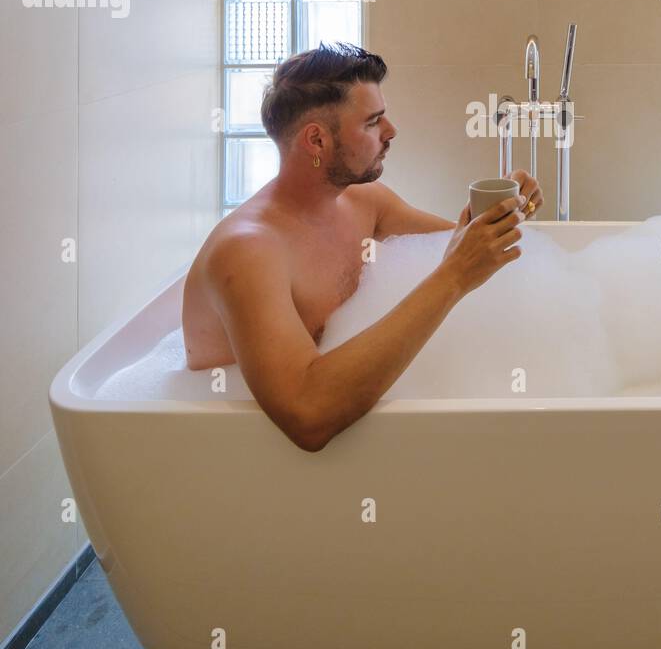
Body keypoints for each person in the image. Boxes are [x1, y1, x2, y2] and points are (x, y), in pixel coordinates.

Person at [182, 42, 543, 451]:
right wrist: (454, 276)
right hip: (229, 452)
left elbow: (474, 250)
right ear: (316, 141)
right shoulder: (247, 252)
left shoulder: (365, 203)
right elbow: (308, 417)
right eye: (372, 123)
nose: (391, 132)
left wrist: (510, 209)